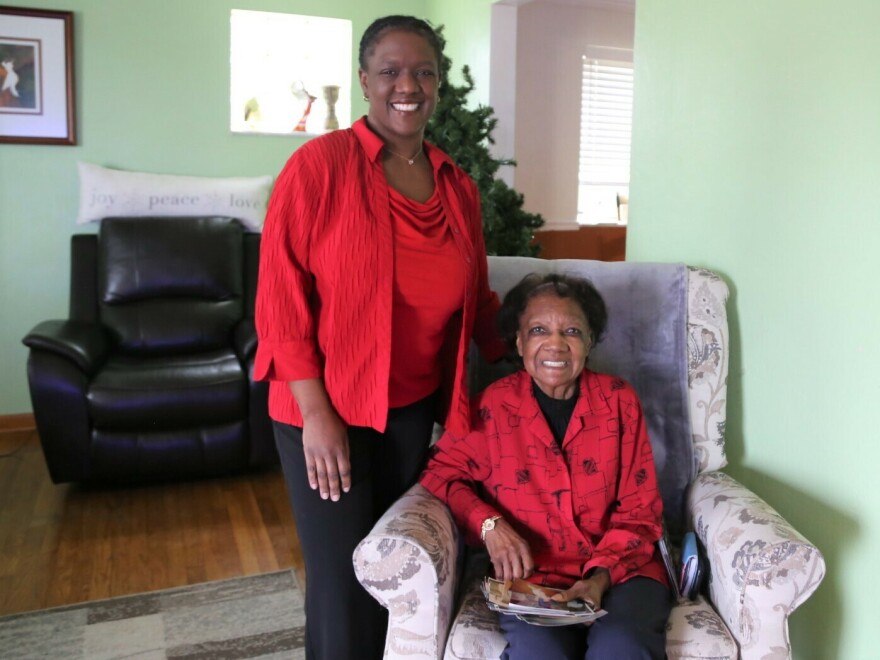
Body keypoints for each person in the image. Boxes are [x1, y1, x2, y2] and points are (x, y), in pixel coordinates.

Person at [254, 14, 506, 660]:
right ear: (364, 81)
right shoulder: (318, 167)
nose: (408, 84)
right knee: (342, 584)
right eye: (391, 70)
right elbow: (280, 306)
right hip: (323, 408)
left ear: (439, 87)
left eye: (424, 71)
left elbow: (477, 303)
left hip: (411, 411)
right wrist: (316, 414)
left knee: (393, 573)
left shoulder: (458, 188)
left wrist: (532, 362)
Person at [420, 273, 671, 660]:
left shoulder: (619, 401)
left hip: (623, 571)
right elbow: (439, 473)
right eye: (539, 330)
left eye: (571, 330)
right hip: (534, 575)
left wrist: (600, 576)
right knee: (540, 656)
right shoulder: (490, 408)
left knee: (621, 648)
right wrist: (489, 524)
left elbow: (640, 510)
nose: (555, 343)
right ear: (519, 342)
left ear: (589, 342)